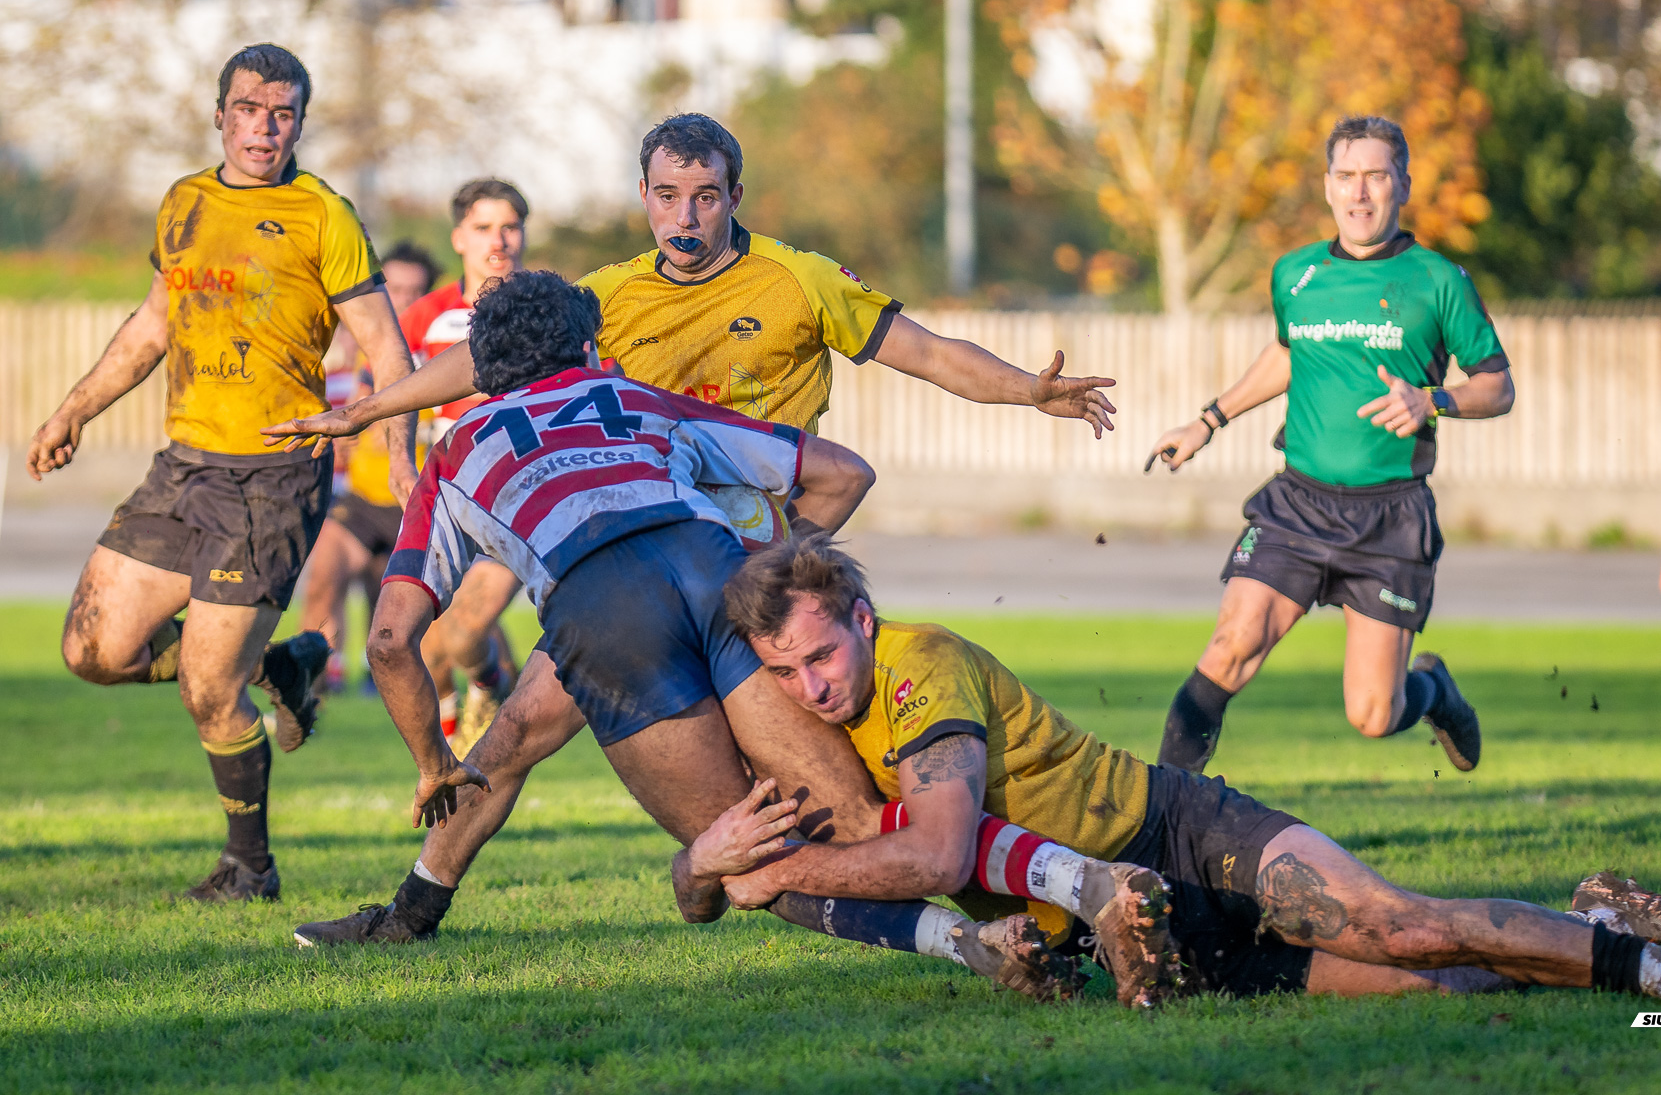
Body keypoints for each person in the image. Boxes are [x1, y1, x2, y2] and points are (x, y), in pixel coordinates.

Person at [267, 113, 1119, 943]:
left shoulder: (798, 279)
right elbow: (493, 360)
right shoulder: (604, 296)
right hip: (650, 566)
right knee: (518, 732)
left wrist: (1025, 390)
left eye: (706, 196)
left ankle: (1027, 916)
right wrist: (372, 407)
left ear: (735, 195)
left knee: (838, 808)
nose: (686, 215)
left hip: (748, 576)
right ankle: (412, 914)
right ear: (644, 195)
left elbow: (926, 352)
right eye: (669, 195)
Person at [689, 535, 1661, 1014]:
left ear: (863, 623)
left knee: (1404, 926)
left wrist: (780, 875)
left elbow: (934, 849)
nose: (810, 688)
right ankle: (1591, 916)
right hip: (1145, 932)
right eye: (784, 673)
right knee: (1448, 980)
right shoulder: (802, 723)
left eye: (823, 656)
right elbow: (697, 893)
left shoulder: (919, 664)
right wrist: (707, 862)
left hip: (1177, 835)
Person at [25, 43, 417, 901]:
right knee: (93, 650)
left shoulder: (324, 215)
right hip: (183, 466)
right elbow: (150, 328)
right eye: (249, 109)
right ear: (220, 114)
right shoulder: (184, 203)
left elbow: (388, 348)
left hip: (273, 480)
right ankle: (279, 667)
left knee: (207, 691)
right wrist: (71, 412)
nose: (264, 128)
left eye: (282, 113)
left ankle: (251, 868)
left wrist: (399, 458)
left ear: (300, 124)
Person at [1147, 115, 1513, 776]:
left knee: (1373, 715)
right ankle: (1162, 829)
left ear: (1403, 183)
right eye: (1347, 177)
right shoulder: (1297, 275)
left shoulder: (1439, 281)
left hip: (1390, 519)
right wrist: (1208, 420)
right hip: (1299, 504)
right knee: (1230, 647)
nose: (1361, 193)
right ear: (1327, 186)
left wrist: (1433, 399)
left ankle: (1434, 691)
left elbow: (1498, 385)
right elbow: (1290, 354)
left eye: (1376, 176)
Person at [392, 180, 538, 749]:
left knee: (467, 625)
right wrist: (400, 462)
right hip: (449, 497)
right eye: (483, 228)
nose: (497, 240)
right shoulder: (425, 317)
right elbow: (394, 393)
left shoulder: (555, 307)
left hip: (523, 499)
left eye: (509, 226)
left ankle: (492, 681)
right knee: (424, 645)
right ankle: (460, 746)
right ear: (458, 237)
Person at [303, 240, 440, 694]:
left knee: (426, 619)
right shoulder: (366, 347)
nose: (400, 301)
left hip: (418, 500)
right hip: (361, 496)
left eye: (412, 292)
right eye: (392, 289)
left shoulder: (445, 352)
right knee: (325, 573)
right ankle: (313, 686)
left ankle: (487, 677)